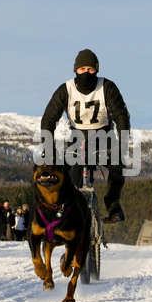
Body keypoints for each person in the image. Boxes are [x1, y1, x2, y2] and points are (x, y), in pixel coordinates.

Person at [41, 49, 130, 223]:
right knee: (69, 177)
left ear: (96, 70)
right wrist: (48, 148)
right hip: (78, 139)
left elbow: (121, 116)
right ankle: (69, 217)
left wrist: (123, 143)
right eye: (82, 70)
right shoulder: (66, 90)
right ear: (75, 71)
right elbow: (49, 119)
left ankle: (113, 205)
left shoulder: (107, 87)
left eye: (90, 69)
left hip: (104, 138)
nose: (86, 73)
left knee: (118, 163)